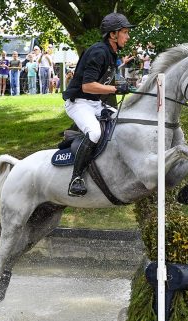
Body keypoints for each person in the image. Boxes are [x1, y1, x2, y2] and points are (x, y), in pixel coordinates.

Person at [62, 12, 134, 197]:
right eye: (125, 32)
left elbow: (107, 76)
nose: (127, 36)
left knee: (123, 120)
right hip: (78, 103)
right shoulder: (98, 51)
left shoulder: (110, 52)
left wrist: (121, 83)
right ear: (113, 35)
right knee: (95, 133)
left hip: (93, 103)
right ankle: (76, 179)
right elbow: (87, 86)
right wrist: (115, 90)